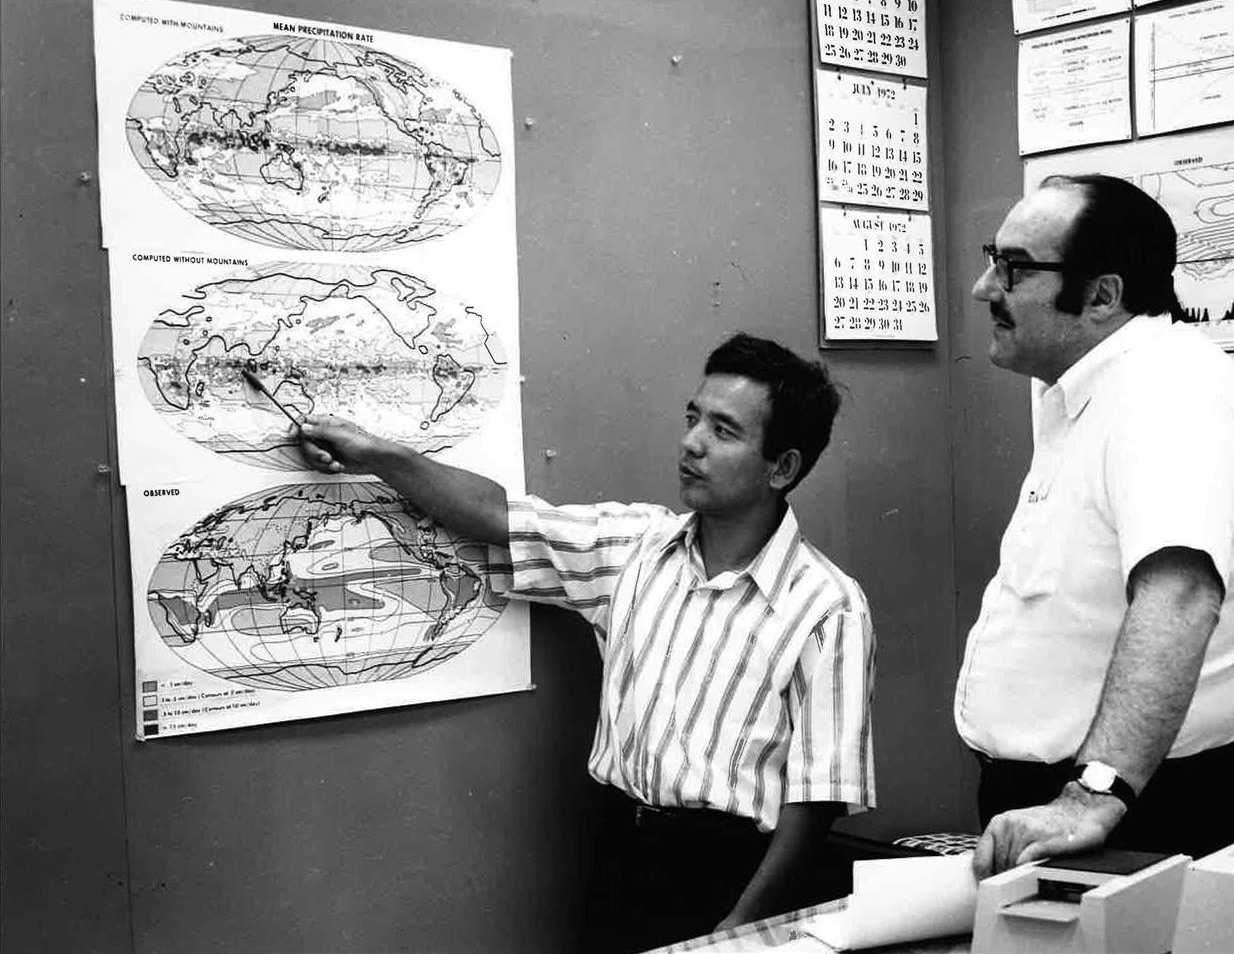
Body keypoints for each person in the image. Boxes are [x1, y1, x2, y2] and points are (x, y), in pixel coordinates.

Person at [295, 333, 875, 952]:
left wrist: (741, 927)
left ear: (782, 467)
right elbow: (502, 517)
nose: (692, 442)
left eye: (724, 431)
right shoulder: (637, 548)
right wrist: (378, 455)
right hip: (621, 855)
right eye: (692, 418)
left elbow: (818, 799)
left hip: (733, 875)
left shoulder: (827, 605)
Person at [955, 174, 1234, 879]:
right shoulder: (1096, 389)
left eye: (1013, 268)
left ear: (1102, 295)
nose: (985, 288)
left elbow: (1180, 596)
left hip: (1131, 806)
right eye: (993, 259)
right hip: (1086, 802)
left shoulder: (1164, 393)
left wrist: (1092, 795)